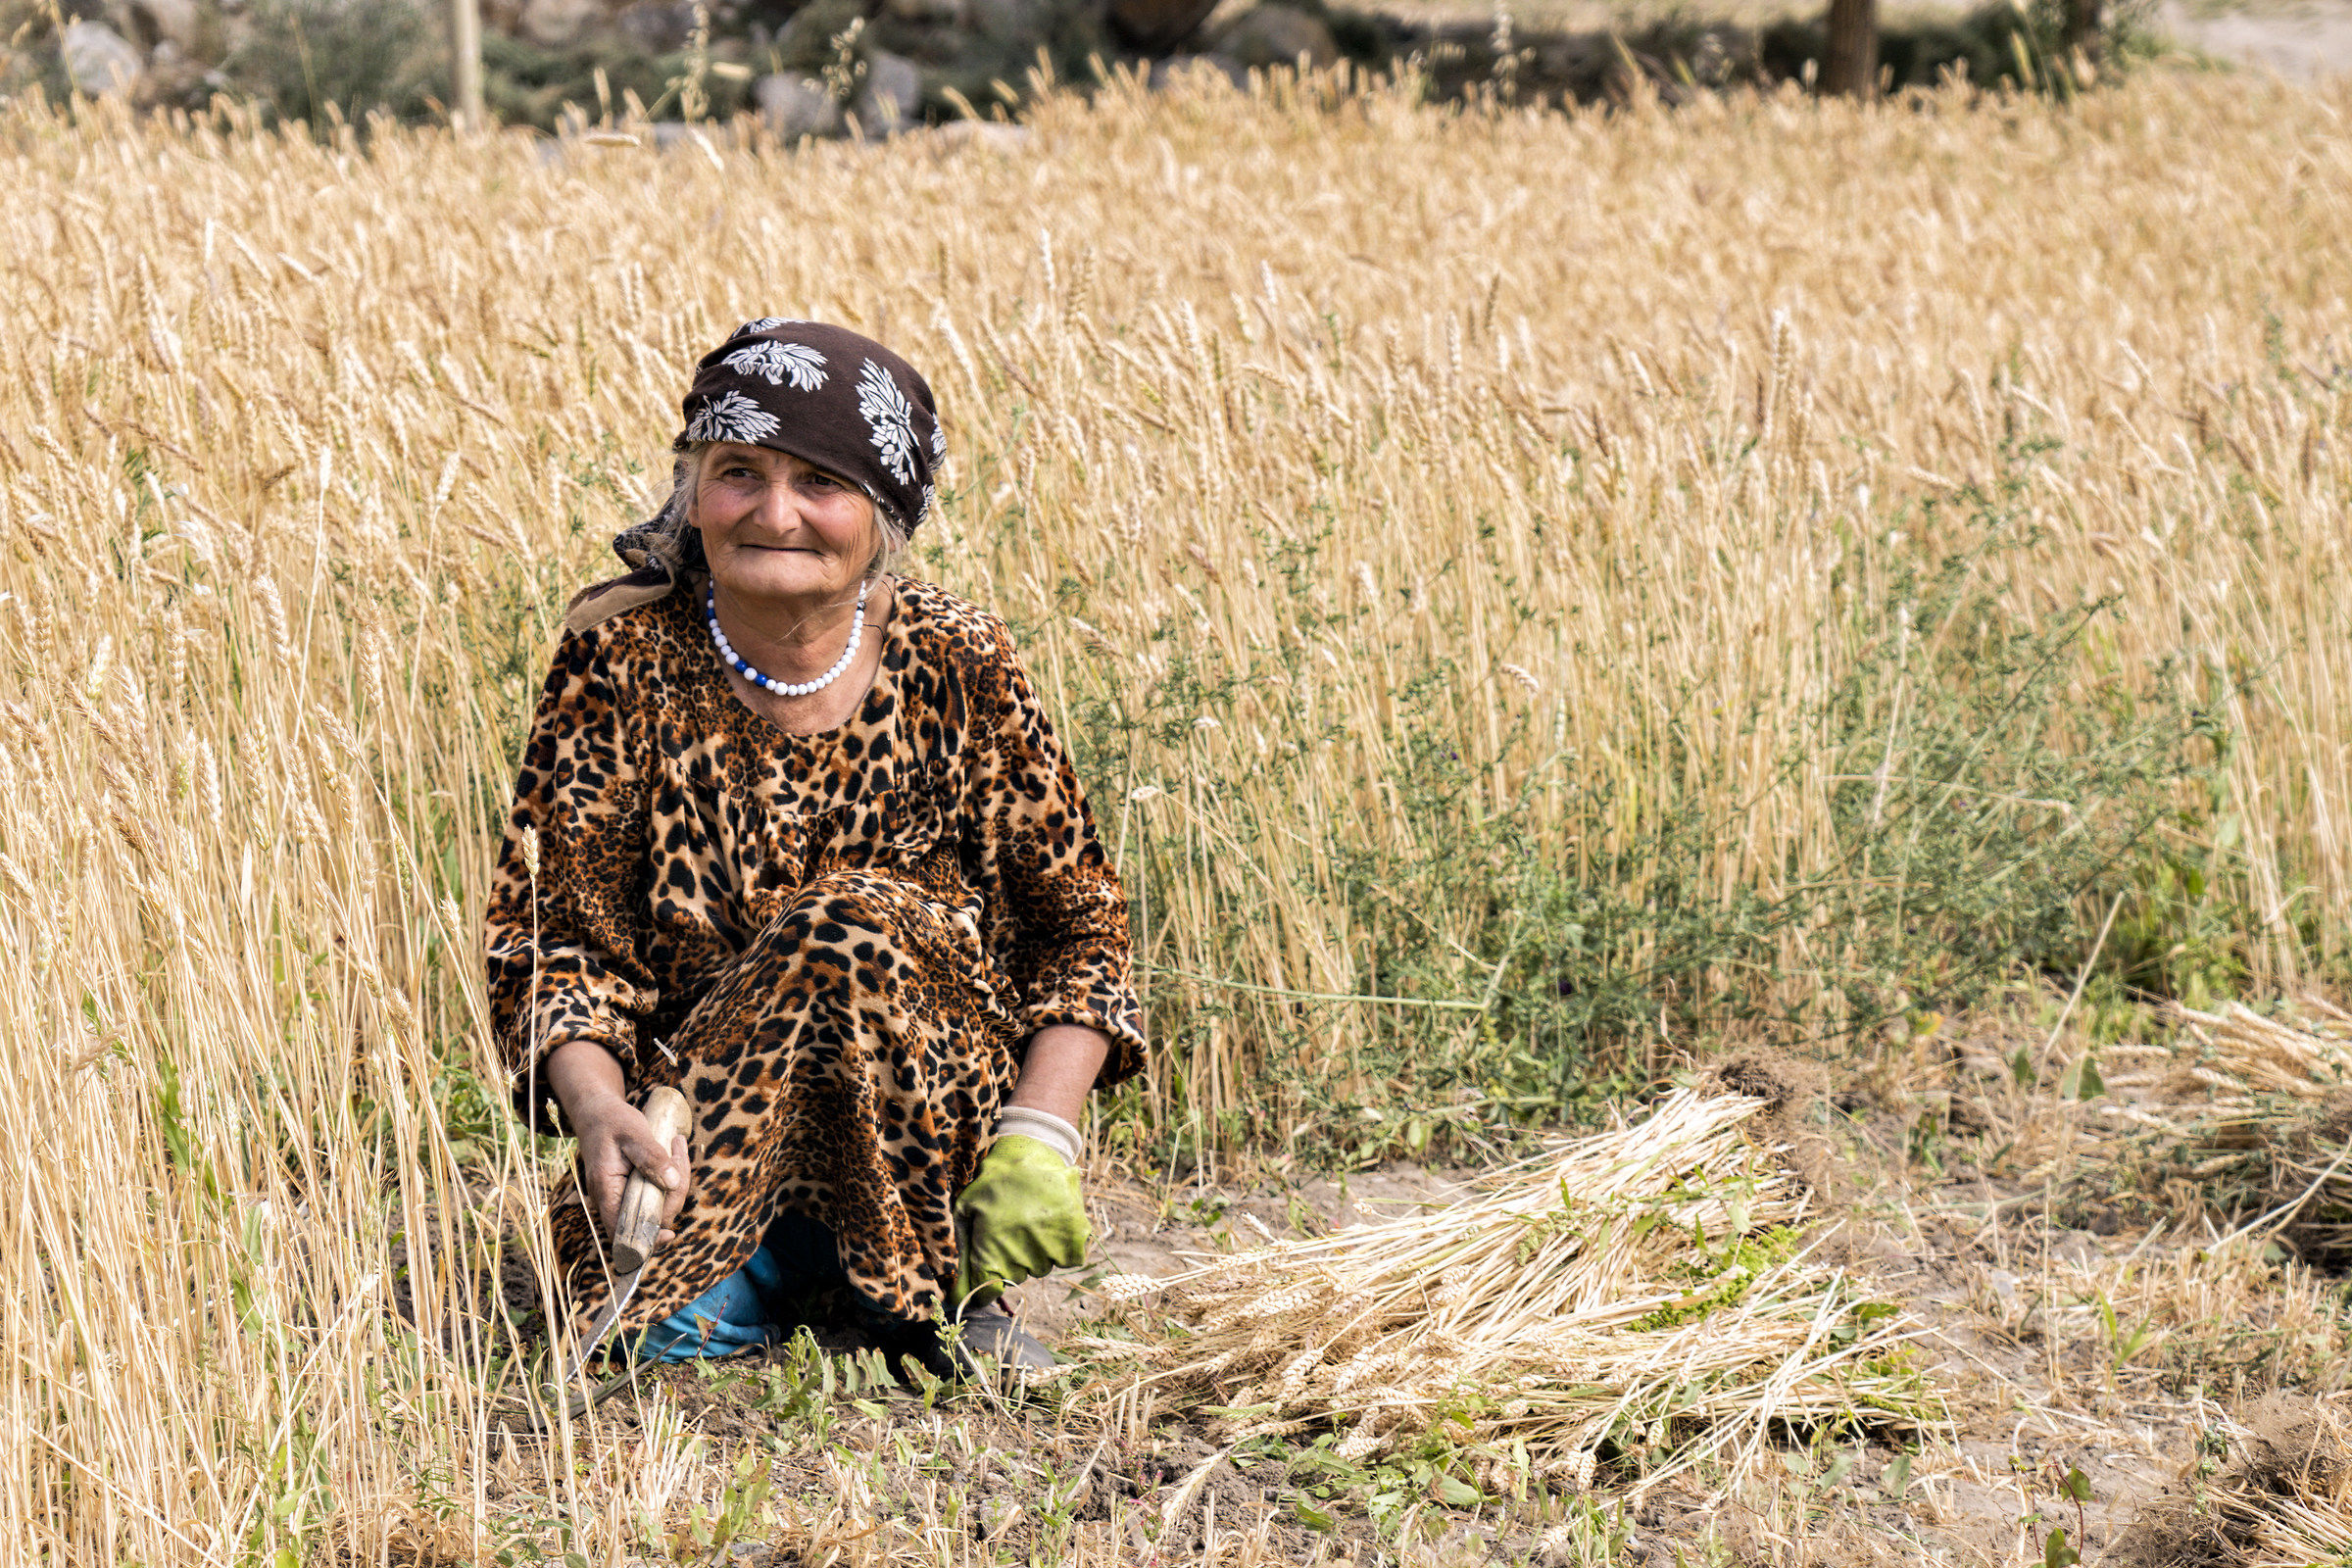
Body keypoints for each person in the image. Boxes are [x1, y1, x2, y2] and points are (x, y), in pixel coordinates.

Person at [483, 319, 1143, 1375]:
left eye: (820, 482)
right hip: (702, 1130)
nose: (774, 512)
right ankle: (774, 1273)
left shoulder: (957, 659)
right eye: (738, 471)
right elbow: (561, 939)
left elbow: (1081, 927)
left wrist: (1040, 1137)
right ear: (693, 492)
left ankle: (923, 1287)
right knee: (652, 1333)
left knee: (847, 923)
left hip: (920, 1131)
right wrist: (600, 1109)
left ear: (884, 517)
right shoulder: (617, 658)